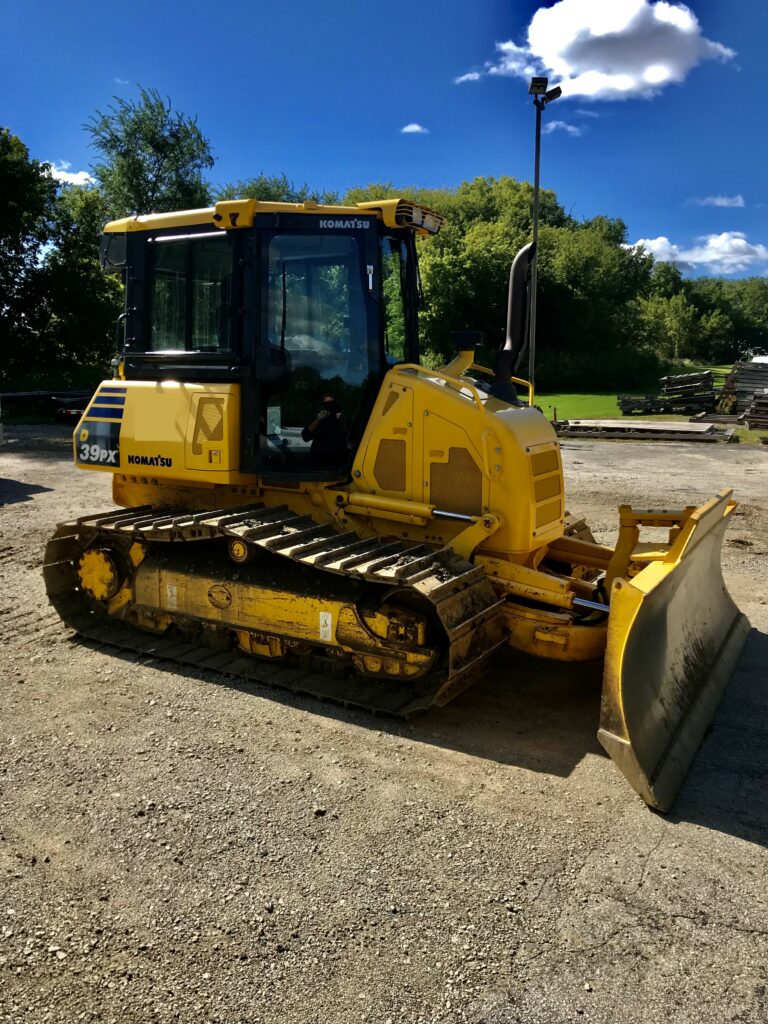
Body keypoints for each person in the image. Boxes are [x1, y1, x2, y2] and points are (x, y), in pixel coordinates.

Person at [301, 395, 348, 468]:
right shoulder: (318, 421)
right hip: (317, 462)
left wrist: (341, 420)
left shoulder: (341, 421)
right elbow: (305, 437)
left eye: (332, 405)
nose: (329, 408)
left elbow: (349, 440)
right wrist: (318, 420)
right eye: (326, 405)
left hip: (336, 464)